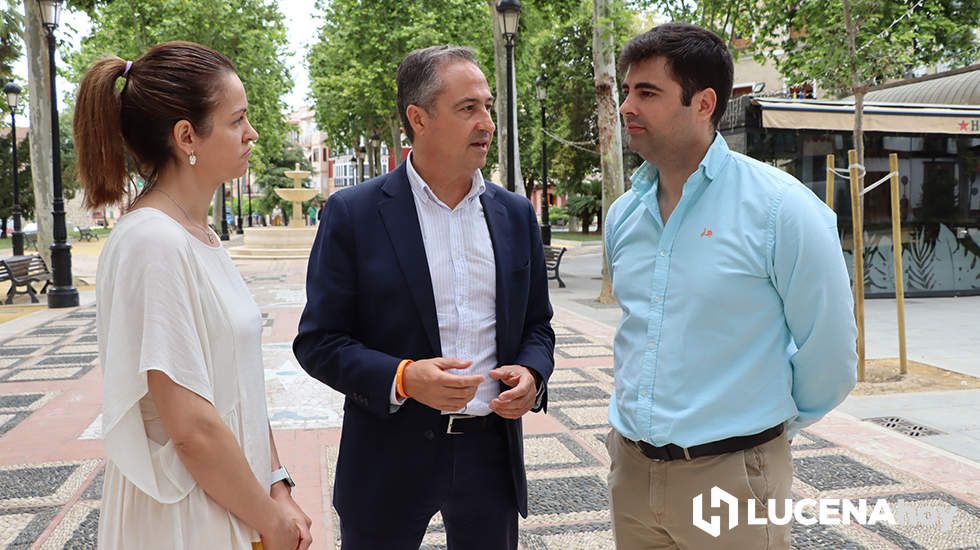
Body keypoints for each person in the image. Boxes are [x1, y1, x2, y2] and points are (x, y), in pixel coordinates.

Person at [605, 23, 857, 549]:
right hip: (631, 472)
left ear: (703, 103)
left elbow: (830, 354)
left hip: (732, 477)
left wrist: (757, 437)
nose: (627, 106)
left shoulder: (780, 209)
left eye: (647, 92)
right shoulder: (624, 215)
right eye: (627, 90)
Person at [293, 45, 555, 550]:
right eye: (468, 108)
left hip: (489, 456)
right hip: (387, 456)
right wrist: (404, 378)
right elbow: (319, 341)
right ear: (419, 118)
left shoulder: (515, 214)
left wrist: (532, 373)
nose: (487, 123)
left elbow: (538, 326)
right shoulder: (354, 214)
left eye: (488, 107)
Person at [74, 41, 312, 550]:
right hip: (184, 516)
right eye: (237, 120)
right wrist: (270, 520)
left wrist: (278, 484)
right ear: (187, 136)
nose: (252, 134)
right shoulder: (154, 243)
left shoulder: (198, 236)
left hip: (231, 499)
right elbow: (191, 428)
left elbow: (240, 385)